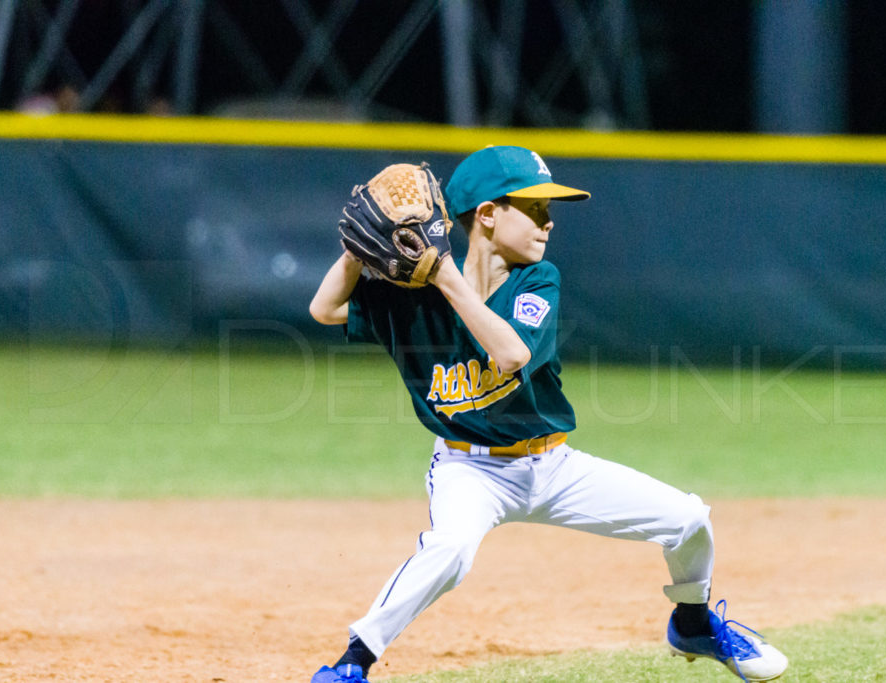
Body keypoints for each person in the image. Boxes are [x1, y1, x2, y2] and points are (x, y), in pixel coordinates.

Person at [307, 145, 788, 682]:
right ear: (487, 215)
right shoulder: (408, 296)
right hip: (471, 470)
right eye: (535, 209)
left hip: (552, 467)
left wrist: (444, 275)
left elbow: (510, 355)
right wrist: (356, 250)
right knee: (450, 551)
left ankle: (693, 622)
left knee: (689, 521)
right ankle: (352, 663)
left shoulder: (536, 282)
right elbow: (325, 309)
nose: (550, 222)